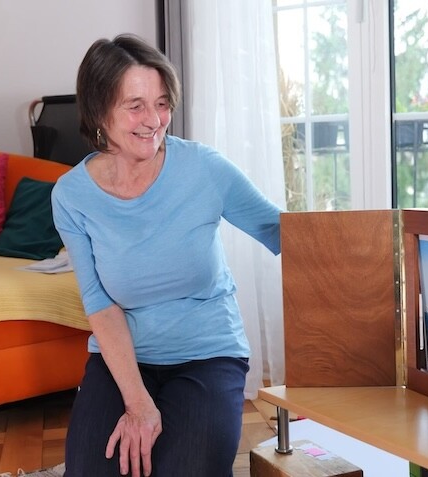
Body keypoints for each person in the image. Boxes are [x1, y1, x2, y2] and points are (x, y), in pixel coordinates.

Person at [51, 34, 282, 477]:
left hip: (208, 353)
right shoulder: (72, 196)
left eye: (162, 103)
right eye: (135, 105)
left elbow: (283, 231)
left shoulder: (203, 168)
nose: (154, 120)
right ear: (99, 111)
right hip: (122, 359)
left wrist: (374, 244)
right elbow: (100, 304)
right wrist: (137, 402)